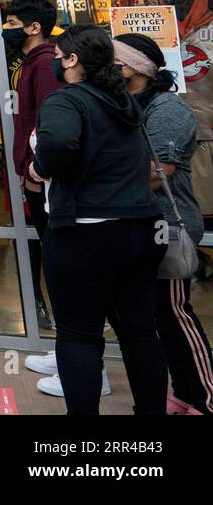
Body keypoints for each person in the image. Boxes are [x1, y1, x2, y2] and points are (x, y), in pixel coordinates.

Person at [28, 25, 167, 414]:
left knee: (78, 336)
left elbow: (57, 142)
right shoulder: (124, 103)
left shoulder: (66, 100)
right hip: (142, 227)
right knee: (139, 334)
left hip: (86, 233)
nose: (55, 62)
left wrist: (39, 170)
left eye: (59, 56)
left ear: (73, 60)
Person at [114, 32, 211, 414]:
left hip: (166, 225)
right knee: (154, 317)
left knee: (173, 314)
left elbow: (161, 170)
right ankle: (184, 393)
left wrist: (104, 188)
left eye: (114, 60)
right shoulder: (128, 104)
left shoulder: (167, 108)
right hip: (138, 225)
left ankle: (204, 396)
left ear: (135, 67)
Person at [3, 0, 60, 335]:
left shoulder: (44, 65)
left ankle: (72, 345)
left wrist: (37, 171)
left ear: (33, 27)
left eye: (11, 23)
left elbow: (51, 123)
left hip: (44, 180)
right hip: (33, 174)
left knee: (57, 257)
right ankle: (66, 347)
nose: (6, 29)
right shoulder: (30, 63)